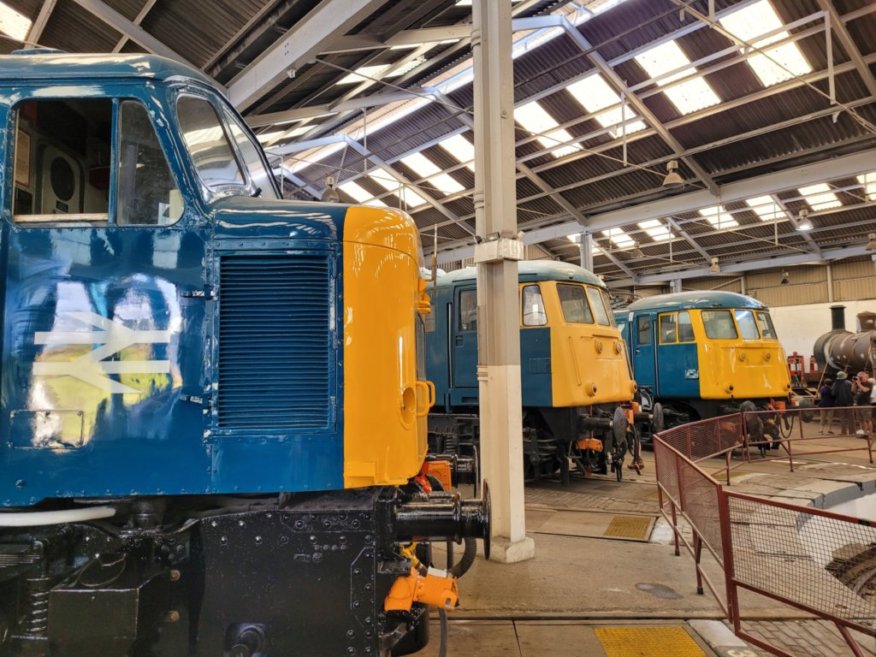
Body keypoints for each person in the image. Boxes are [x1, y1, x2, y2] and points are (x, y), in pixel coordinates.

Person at [854, 371, 873, 437]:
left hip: (866, 404)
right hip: (858, 404)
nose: (859, 377)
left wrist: (859, 383)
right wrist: (854, 383)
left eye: (860, 376)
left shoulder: (869, 383)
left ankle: (870, 434)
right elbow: (852, 390)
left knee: (867, 419)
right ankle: (865, 433)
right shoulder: (859, 383)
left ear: (864, 376)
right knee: (861, 420)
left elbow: (865, 390)